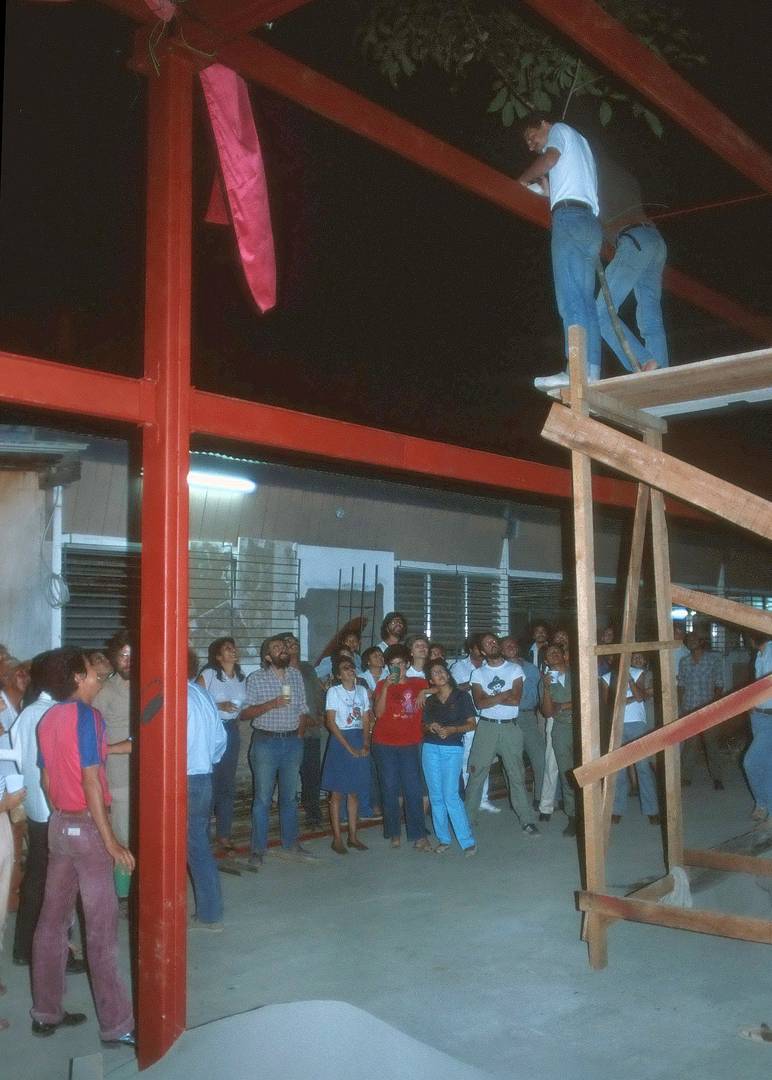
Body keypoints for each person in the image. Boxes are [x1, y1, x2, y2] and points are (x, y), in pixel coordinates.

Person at [30, 647, 135, 1046]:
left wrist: (64, 815)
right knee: (102, 931)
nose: (99, 674)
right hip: (88, 830)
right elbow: (92, 780)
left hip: (59, 825)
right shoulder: (88, 717)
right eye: (94, 670)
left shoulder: (47, 718)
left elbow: (45, 780)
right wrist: (111, 842)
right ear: (78, 676)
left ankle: (46, 1012)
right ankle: (117, 1024)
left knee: (51, 923)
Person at [12, 652, 86, 972]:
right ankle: (56, 951)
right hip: (54, 809)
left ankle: (24, 948)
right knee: (58, 887)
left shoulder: (30, 712)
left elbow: (16, 759)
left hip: (35, 807)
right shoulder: (56, 713)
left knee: (38, 879)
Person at [518, 112, 602, 389]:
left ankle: (574, 369)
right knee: (585, 301)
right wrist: (547, 191)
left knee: (570, 300)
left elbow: (550, 159)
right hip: (589, 223)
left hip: (569, 221)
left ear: (544, 123)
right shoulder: (580, 142)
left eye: (532, 137)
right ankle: (590, 371)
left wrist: (521, 181)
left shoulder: (559, 130)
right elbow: (569, 180)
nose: (531, 145)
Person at [242, 635, 316, 864]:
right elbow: (244, 713)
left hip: (292, 742)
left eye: (284, 647)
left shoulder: (295, 676)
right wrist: (271, 704)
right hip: (266, 743)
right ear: (267, 656)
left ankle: (291, 842)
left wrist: (300, 736)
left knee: (290, 798)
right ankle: (258, 849)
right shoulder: (256, 678)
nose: (282, 650)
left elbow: (303, 708)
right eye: (277, 648)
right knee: (263, 799)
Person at [595, 152, 668, 373]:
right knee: (650, 316)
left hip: (635, 240)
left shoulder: (595, 179)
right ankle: (661, 370)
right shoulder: (625, 180)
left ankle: (644, 362)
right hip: (654, 242)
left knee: (600, 312)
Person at [466, 633, 539, 836]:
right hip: (486, 728)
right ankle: (468, 820)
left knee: (517, 774)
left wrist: (492, 698)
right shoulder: (478, 673)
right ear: (481, 651)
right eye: (487, 643)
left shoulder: (515, 669)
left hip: (510, 728)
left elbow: (516, 699)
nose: (493, 644)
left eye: (494, 641)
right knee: (476, 773)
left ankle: (527, 820)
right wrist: (503, 694)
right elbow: (479, 703)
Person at [371, 644, 431, 851]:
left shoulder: (419, 682)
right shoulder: (381, 685)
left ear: (407, 664)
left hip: (410, 743)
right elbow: (378, 714)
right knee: (389, 788)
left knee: (413, 789)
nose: (397, 668)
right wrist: (387, 687)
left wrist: (426, 691)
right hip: (384, 743)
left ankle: (418, 834)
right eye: (392, 665)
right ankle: (394, 832)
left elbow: (444, 685)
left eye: (400, 664)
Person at [187, 651, 227, 930]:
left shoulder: (174, 698)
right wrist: (205, 760)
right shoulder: (202, 696)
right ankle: (209, 911)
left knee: (191, 845)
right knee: (198, 843)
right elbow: (219, 740)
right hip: (203, 777)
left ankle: (209, 913)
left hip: (183, 779)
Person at [197, 636, 247, 851]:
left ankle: (224, 835)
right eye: (227, 648)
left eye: (233, 648)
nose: (233, 651)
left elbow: (243, 705)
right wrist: (219, 705)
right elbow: (196, 699)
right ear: (218, 656)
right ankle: (203, 836)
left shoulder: (241, 677)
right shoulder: (208, 675)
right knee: (210, 784)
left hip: (231, 731)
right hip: (211, 731)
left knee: (227, 785)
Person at [421, 661, 477, 855]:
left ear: (448, 674)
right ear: (431, 680)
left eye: (442, 671)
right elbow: (424, 725)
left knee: (450, 794)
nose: (440, 674)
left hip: (452, 748)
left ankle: (467, 840)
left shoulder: (462, 697)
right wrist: (432, 727)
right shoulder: (430, 700)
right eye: (435, 673)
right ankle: (443, 838)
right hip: (430, 748)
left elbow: (472, 724)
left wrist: (453, 729)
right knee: (435, 795)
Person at [601, 652, 659, 825]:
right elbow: (609, 703)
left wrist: (629, 681)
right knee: (618, 769)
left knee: (642, 767)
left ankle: (652, 810)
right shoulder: (605, 677)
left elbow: (640, 696)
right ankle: (617, 809)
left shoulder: (637, 673)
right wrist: (629, 699)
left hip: (637, 725)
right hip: (617, 725)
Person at [322, 655, 372, 854]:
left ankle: (353, 835)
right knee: (337, 792)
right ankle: (337, 838)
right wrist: (348, 748)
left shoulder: (361, 691)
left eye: (352, 667)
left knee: (354, 791)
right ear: (338, 675)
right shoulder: (334, 692)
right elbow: (331, 722)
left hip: (358, 737)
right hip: (340, 740)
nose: (350, 671)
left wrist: (366, 742)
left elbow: (366, 718)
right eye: (345, 668)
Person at [95, 631, 132, 872]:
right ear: (114, 658)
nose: (128, 660)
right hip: (119, 775)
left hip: (149, 772)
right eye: (123, 655)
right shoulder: (105, 690)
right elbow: (92, 735)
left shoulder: (151, 684)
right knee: (122, 833)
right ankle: (123, 891)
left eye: (133, 655)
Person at [450, 634, 498, 814]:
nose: (483, 650)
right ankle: (467, 798)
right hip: (468, 718)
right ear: (471, 649)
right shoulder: (459, 666)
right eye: (479, 647)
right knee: (467, 761)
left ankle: (483, 799)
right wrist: (474, 683)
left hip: (487, 716)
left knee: (484, 760)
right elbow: (454, 690)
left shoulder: (490, 665)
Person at [283, 633, 326, 830]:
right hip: (290, 731)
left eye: (295, 643)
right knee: (289, 776)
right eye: (288, 643)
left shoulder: (308, 669)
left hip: (312, 731)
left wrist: (319, 714)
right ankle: (288, 815)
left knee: (312, 775)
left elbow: (317, 693)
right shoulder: (280, 671)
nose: (293, 645)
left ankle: (313, 813)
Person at [501, 636, 545, 813]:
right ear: (501, 650)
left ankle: (540, 797)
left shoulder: (531, 669)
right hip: (508, 717)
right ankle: (516, 799)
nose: (511, 646)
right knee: (512, 761)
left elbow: (541, 693)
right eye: (506, 645)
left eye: (513, 644)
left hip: (528, 717)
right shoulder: (499, 669)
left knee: (540, 758)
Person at [678, 631, 725, 789]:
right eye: (688, 640)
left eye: (693, 638)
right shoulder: (684, 662)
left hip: (708, 708)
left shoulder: (713, 660)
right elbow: (682, 685)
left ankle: (717, 778)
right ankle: (685, 777)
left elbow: (719, 683)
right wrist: (681, 707)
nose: (691, 641)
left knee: (711, 743)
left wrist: (714, 706)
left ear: (701, 640)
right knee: (690, 744)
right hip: (689, 707)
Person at [539, 643, 577, 836]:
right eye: (549, 654)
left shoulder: (577, 673)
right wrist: (546, 689)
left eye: (556, 652)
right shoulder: (546, 681)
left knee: (587, 769)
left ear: (564, 655)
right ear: (545, 661)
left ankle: (591, 812)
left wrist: (562, 705)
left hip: (581, 727)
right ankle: (573, 817)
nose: (553, 655)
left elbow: (586, 699)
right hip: (561, 729)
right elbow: (548, 712)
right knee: (566, 773)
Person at [744, 632, 772, 824]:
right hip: (759, 716)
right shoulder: (759, 655)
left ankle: (764, 804)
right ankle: (765, 806)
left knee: (751, 762)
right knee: (765, 764)